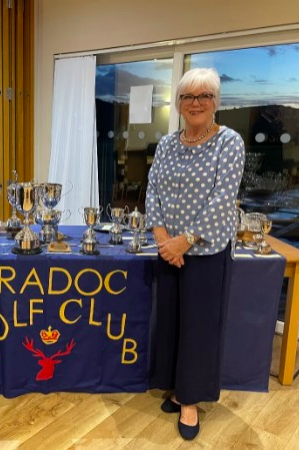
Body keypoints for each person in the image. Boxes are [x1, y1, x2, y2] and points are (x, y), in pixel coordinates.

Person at [145, 68, 245, 440]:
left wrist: (183, 240)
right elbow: (152, 189)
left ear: (216, 102)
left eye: (204, 96)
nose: (196, 103)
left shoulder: (229, 142)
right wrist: (162, 239)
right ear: (179, 104)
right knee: (171, 324)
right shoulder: (167, 144)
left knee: (198, 331)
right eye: (188, 96)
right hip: (167, 250)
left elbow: (223, 199)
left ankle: (190, 402)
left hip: (204, 252)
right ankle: (173, 386)